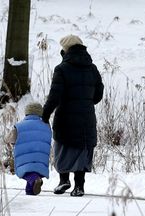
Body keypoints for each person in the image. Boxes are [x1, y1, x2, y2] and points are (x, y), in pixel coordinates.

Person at [42, 35, 104, 197]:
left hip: (65, 117)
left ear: (66, 49)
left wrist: (45, 114)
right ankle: (79, 187)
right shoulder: (93, 68)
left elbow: (54, 96)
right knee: (82, 150)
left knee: (64, 147)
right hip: (86, 117)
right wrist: (86, 102)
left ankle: (64, 180)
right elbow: (98, 95)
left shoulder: (61, 69)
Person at [5, 102, 52, 195]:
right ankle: (30, 191)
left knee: (27, 172)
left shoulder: (20, 126)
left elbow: (8, 139)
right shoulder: (46, 126)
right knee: (33, 172)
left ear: (27, 113)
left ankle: (35, 180)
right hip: (41, 157)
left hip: (25, 157)